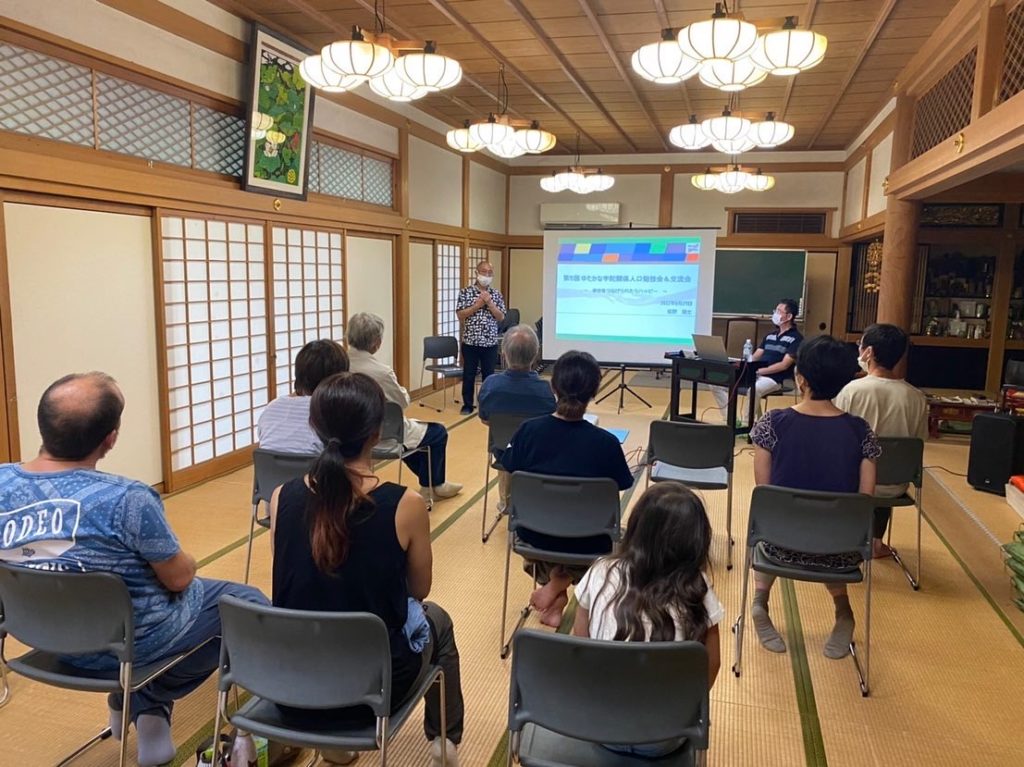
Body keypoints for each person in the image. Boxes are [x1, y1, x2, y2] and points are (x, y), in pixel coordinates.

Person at [0, 373, 267, 767]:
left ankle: (146, 711)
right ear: (110, 439)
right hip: (129, 645)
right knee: (250, 607)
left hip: (44, 639)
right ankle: (149, 700)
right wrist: (188, 560)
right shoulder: (127, 498)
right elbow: (178, 577)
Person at [269, 372, 464, 767]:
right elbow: (419, 590)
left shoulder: (280, 497)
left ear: (315, 427)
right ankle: (444, 740)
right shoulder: (405, 504)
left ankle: (336, 748)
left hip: (292, 683)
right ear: (376, 433)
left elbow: (295, 577)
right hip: (374, 689)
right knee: (438, 621)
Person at [749, 336, 880, 659]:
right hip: (840, 551)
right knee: (832, 525)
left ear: (801, 379)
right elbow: (865, 501)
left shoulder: (771, 423)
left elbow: (765, 496)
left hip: (779, 546)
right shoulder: (861, 430)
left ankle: (759, 602)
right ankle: (844, 612)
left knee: (768, 525)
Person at [572, 482, 723, 758]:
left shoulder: (601, 570)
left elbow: (579, 647)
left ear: (635, 529)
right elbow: (712, 665)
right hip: (664, 736)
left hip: (597, 725)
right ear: (697, 540)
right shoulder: (697, 588)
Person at [500, 350, 634, 627]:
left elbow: (508, 464)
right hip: (591, 541)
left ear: (553, 387)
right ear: (594, 392)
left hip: (533, 537)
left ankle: (554, 586)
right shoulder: (607, 444)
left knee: (554, 530)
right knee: (619, 541)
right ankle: (562, 582)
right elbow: (623, 483)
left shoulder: (528, 432)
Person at [835, 323, 928, 558]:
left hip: (853, 483)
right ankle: (876, 543)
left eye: (860, 345)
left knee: (856, 459)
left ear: (869, 352)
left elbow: (836, 435)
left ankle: (844, 535)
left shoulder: (852, 391)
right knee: (884, 465)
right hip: (896, 485)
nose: (858, 349)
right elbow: (918, 441)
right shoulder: (917, 397)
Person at [347, 312, 463, 500]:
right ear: (376, 342)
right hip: (381, 434)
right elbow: (402, 402)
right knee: (437, 433)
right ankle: (434, 485)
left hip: (348, 432)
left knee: (413, 438)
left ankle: (433, 484)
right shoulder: (381, 373)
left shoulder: (340, 364)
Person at [478, 324, 556, 512]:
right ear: (535, 354)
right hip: (538, 453)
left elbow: (485, 419)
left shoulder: (490, 385)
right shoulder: (545, 390)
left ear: (503, 353)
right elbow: (550, 424)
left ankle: (506, 503)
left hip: (503, 452)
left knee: (508, 445)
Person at [713, 298, 803, 423]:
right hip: (756, 373)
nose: (775, 314)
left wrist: (760, 371)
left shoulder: (796, 338)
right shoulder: (770, 336)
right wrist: (741, 364)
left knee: (754, 389)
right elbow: (755, 357)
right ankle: (730, 419)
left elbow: (783, 365)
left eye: (779, 311)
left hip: (774, 378)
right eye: (775, 311)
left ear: (789, 316)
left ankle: (746, 425)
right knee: (716, 383)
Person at [257, 339, 349, 453]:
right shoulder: (333, 411)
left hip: (267, 465)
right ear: (338, 378)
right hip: (317, 465)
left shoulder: (272, 408)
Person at [455, 260, 506, 415]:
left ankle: (487, 405)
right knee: (469, 374)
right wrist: (476, 306)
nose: (487, 275)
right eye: (484, 272)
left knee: (489, 375)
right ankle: (467, 404)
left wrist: (490, 303)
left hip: (490, 342)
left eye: (490, 272)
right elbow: (460, 314)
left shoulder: (496, 294)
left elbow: (501, 317)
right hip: (470, 341)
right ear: (476, 273)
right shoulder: (466, 292)